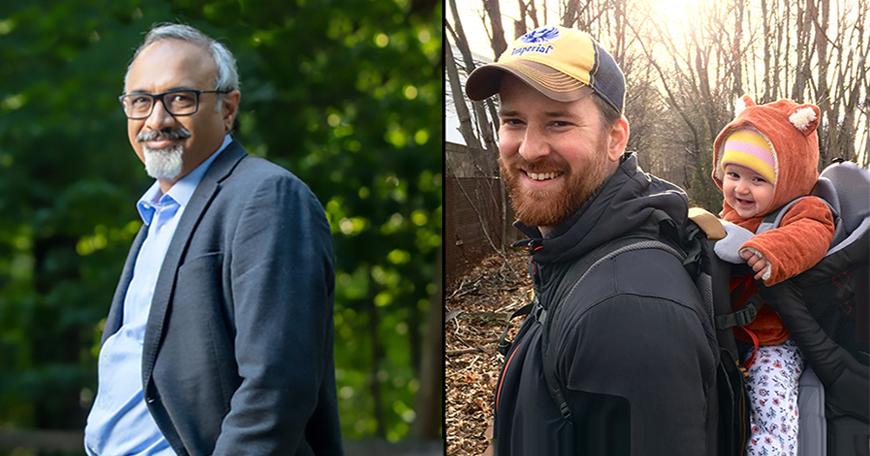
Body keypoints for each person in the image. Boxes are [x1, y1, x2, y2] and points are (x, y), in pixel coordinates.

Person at [83, 23, 342, 455]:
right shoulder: (158, 216)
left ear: (227, 108)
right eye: (141, 101)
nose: (156, 120)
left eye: (180, 98)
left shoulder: (267, 197)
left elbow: (276, 386)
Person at [465, 25, 718, 455]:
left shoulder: (628, 311)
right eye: (514, 121)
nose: (528, 149)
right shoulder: (572, 249)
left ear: (615, 138)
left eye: (558, 122)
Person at [710, 96, 834, 456]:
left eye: (757, 179)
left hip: (775, 340)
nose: (741, 189)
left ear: (787, 178)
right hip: (729, 334)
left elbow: (811, 235)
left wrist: (772, 251)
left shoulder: (803, 209)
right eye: (733, 175)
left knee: (770, 405)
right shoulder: (730, 214)